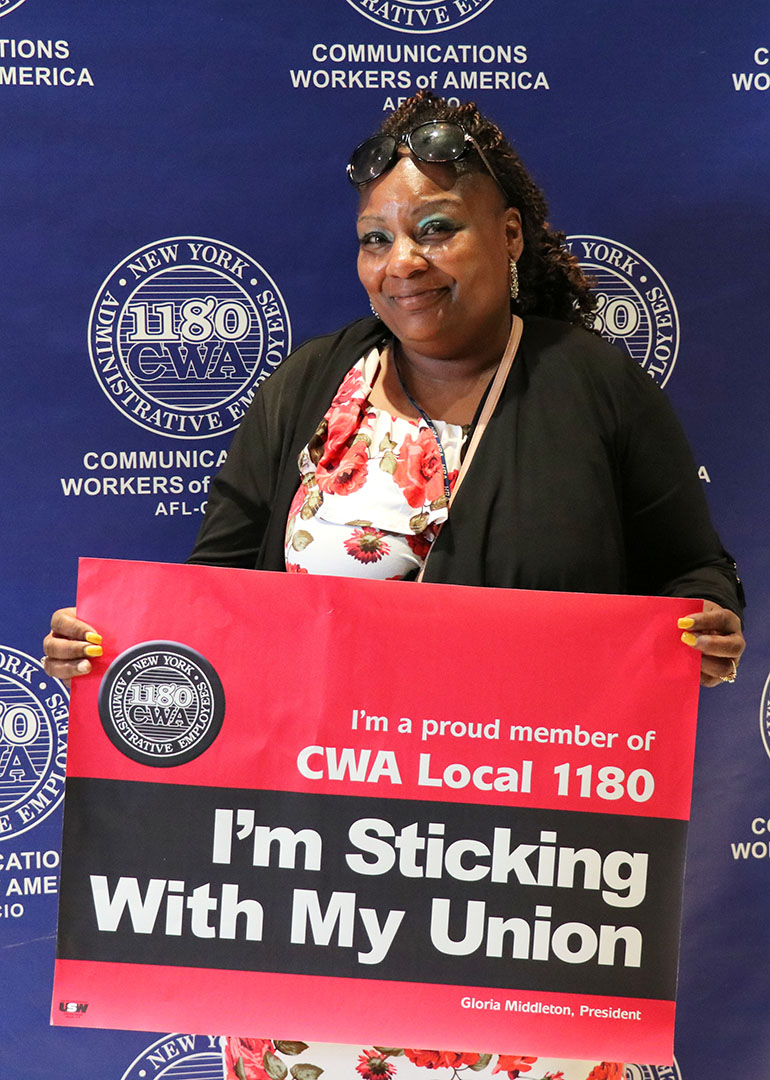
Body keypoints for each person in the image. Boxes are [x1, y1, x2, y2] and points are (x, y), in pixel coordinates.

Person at [43, 92, 745, 1077]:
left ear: (508, 236)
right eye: (375, 239)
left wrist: (704, 624)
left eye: (436, 228)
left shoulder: (598, 390)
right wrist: (118, 653)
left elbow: (694, 570)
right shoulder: (305, 388)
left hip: (522, 901)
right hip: (313, 896)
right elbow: (212, 606)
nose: (401, 261)